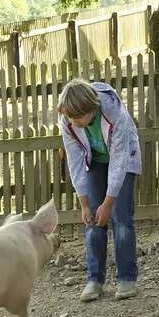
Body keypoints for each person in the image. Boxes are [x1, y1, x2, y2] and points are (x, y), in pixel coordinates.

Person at [58, 78, 142, 301]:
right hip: (94, 160)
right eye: (69, 118)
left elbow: (119, 161)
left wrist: (109, 202)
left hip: (122, 158)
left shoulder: (115, 114)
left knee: (121, 216)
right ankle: (94, 279)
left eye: (76, 118)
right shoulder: (68, 119)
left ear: (91, 109)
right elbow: (75, 161)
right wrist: (84, 204)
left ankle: (126, 278)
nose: (72, 122)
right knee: (93, 219)